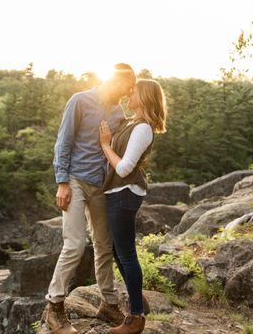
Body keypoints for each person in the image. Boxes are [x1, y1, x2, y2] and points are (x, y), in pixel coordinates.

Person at [44, 64, 136, 334]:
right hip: (74, 180)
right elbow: (64, 141)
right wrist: (62, 182)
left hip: (101, 185)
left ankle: (108, 303)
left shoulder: (118, 111)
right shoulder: (80, 101)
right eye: (124, 87)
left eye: (130, 90)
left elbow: (118, 147)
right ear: (113, 81)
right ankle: (55, 307)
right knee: (74, 244)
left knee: (104, 245)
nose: (126, 93)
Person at [99, 79, 167, 334]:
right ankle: (138, 301)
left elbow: (125, 168)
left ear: (145, 97)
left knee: (126, 254)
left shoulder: (143, 129)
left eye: (134, 91)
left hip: (125, 193)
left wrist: (106, 145)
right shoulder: (131, 122)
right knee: (119, 252)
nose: (129, 93)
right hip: (116, 192)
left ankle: (136, 318)